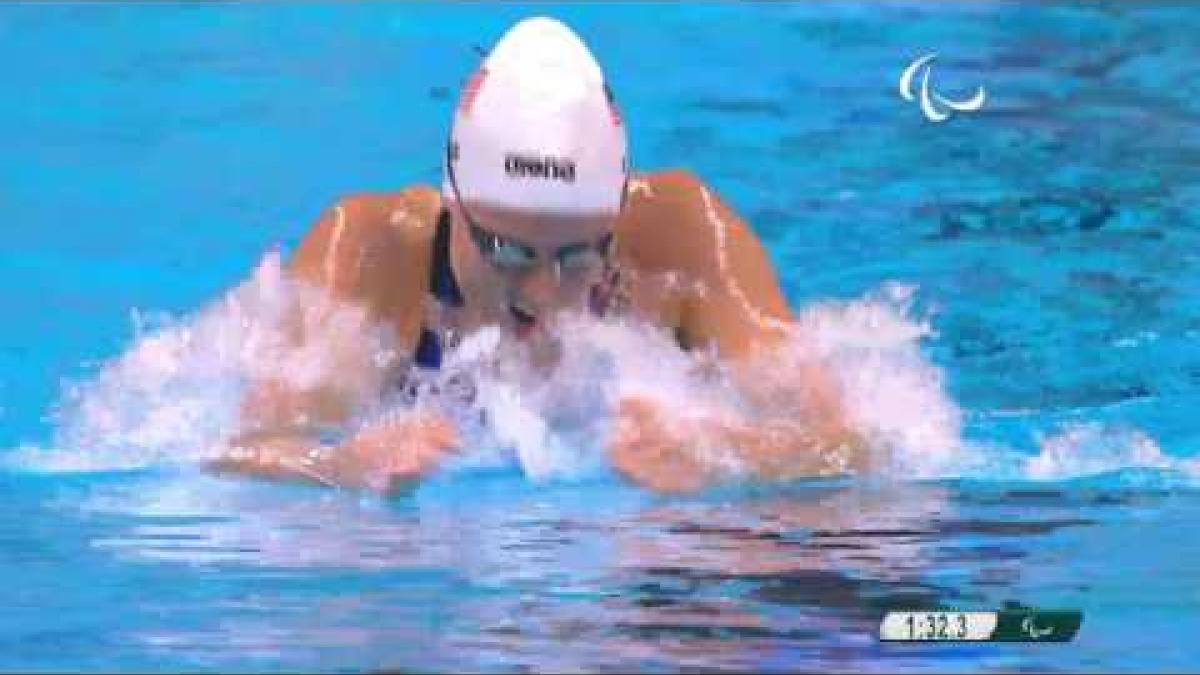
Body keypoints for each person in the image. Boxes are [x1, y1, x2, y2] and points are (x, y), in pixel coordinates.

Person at [213, 16, 867, 494]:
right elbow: (244, 448)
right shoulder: (372, 253)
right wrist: (341, 466)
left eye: (579, 254)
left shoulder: (685, 239)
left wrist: (730, 452)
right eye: (506, 250)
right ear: (454, 203)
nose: (544, 292)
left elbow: (854, 445)